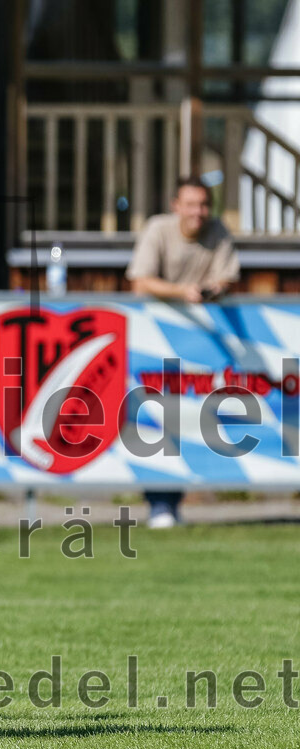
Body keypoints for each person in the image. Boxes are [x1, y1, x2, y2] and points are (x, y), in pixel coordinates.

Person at [126, 175, 241, 528]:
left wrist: (214, 288)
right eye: (191, 204)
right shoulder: (158, 229)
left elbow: (229, 278)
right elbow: (139, 280)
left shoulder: (218, 232)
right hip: (152, 345)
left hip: (202, 348)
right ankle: (161, 503)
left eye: (204, 205)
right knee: (156, 421)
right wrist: (182, 292)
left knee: (211, 420)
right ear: (176, 205)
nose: (199, 212)